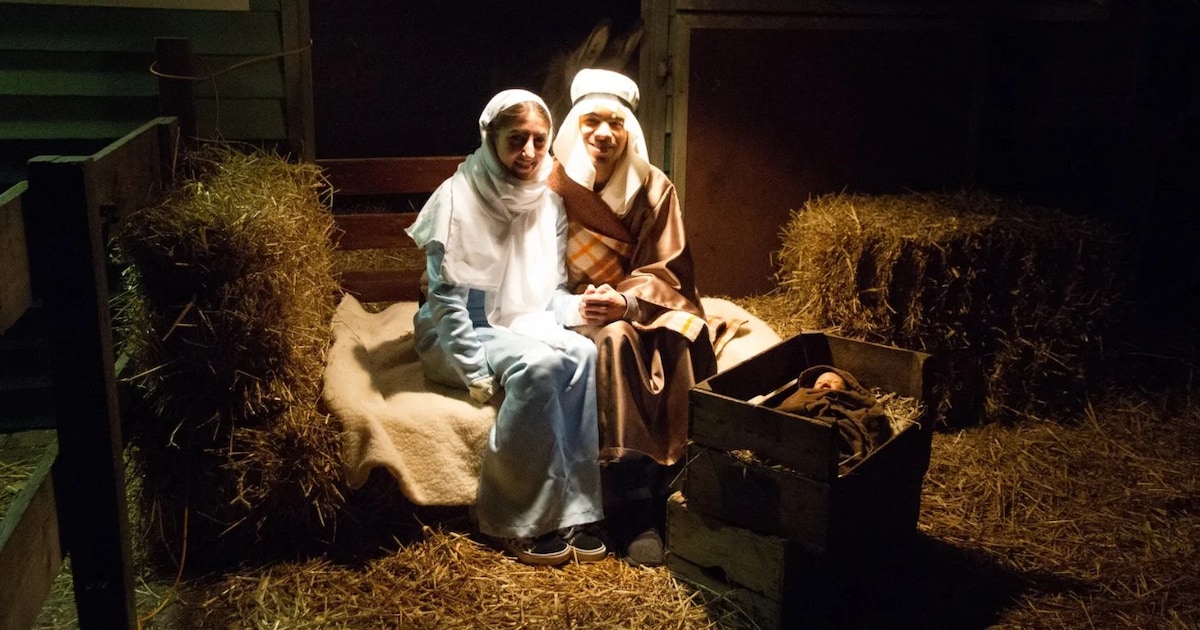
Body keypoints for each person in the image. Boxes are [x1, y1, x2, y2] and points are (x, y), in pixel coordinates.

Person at [406, 89, 607, 566]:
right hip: (453, 333)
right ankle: (515, 517)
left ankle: (575, 507)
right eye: (517, 140)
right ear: (490, 137)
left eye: (540, 140)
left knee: (583, 354)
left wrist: (581, 309)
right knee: (538, 367)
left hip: (517, 322)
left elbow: (546, 295)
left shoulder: (547, 201)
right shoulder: (456, 198)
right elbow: (445, 301)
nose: (530, 153)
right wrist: (475, 372)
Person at [549, 69, 717, 567]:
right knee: (616, 340)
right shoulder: (549, 183)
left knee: (682, 334)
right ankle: (631, 504)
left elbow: (669, 269)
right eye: (592, 122)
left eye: (616, 123)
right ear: (575, 126)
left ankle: (680, 481)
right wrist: (576, 302)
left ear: (629, 131)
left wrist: (625, 301)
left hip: (635, 301)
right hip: (565, 305)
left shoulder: (654, 188)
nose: (604, 134)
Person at [776, 365, 892, 474]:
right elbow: (787, 407)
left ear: (846, 389)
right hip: (805, 427)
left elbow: (866, 413)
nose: (825, 382)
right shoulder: (804, 394)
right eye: (819, 382)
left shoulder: (848, 398)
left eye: (834, 382)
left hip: (835, 432)